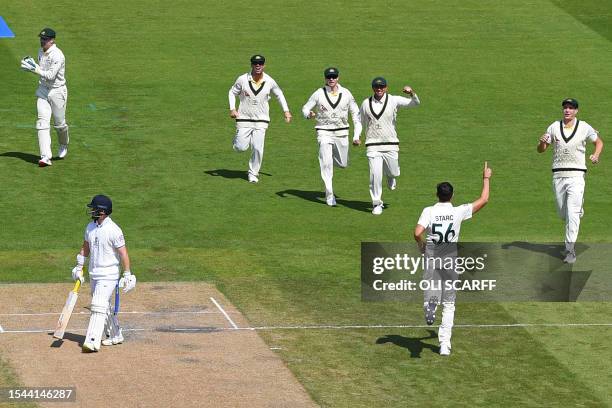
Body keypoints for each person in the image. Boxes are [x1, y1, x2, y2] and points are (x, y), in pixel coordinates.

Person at [413, 162, 492, 356]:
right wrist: (486, 178)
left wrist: (421, 245)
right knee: (449, 304)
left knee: (431, 290)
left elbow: (417, 232)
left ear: (436, 195)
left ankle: (430, 303)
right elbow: (484, 199)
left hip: (432, 257)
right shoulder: (458, 211)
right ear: (452, 196)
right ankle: (444, 345)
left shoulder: (429, 211)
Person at [537, 98, 603, 264]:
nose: (567, 110)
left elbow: (598, 142)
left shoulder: (584, 127)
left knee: (572, 214)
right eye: (565, 107)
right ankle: (577, 210)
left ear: (576, 111)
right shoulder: (553, 127)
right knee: (563, 213)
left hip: (577, 176)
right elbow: (541, 150)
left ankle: (570, 250)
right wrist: (541, 143)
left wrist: (596, 155)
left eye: (571, 108)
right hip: (558, 176)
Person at [71, 195, 136, 352]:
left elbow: (123, 254)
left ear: (102, 211)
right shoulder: (90, 227)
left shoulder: (114, 230)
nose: (91, 211)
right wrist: (79, 266)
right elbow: (85, 247)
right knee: (104, 306)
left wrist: (127, 274)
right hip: (95, 273)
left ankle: (92, 341)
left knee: (98, 305)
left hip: (109, 274)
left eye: (94, 208)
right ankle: (115, 334)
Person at [354, 77, 420, 215]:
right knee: (375, 175)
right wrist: (356, 136)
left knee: (393, 171)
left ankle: (390, 176)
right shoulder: (366, 103)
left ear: (386, 87)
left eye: (382, 87)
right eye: (376, 87)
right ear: (372, 88)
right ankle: (377, 203)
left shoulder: (394, 100)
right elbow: (360, 121)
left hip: (391, 143)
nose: (379, 89)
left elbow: (415, 104)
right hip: (372, 145)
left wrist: (412, 93)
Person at [301, 67, 361, 206]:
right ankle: (329, 195)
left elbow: (356, 115)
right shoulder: (318, 93)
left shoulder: (346, 93)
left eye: (334, 77)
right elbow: (305, 108)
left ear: (338, 78)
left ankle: (330, 158)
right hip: (324, 131)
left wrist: (356, 136)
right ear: (325, 78)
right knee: (326, 164)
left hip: (342, 132)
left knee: (343, 163)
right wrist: (308, 114)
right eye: (329, 77)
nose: (331, 79)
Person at [228, 55, 292, 183]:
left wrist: (286, 111)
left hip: (262, 119)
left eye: (260, 63)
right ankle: (237, 141)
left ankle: (253, 173)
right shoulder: (242, 79)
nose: (258, 65)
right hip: (244, 118)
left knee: (258, 147)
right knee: (240, 147)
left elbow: (279, 94)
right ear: (251, 64)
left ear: (264, 65)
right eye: (255, 63)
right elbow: (232, 92)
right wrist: (232, 109)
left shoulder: (269, 81)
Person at [20, 28, 70, 167]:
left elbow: (50, 75)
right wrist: (33, 67)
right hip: (43, 90)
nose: (42, 41)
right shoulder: (40, 51)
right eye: (41, 38)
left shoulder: (58, 56)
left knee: (60, 125)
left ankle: (64, 144)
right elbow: (42, 72)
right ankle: (45, 157)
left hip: (57, 91)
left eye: (45, 39)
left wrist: (34, 69)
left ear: (52, 40)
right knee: (42, 123)